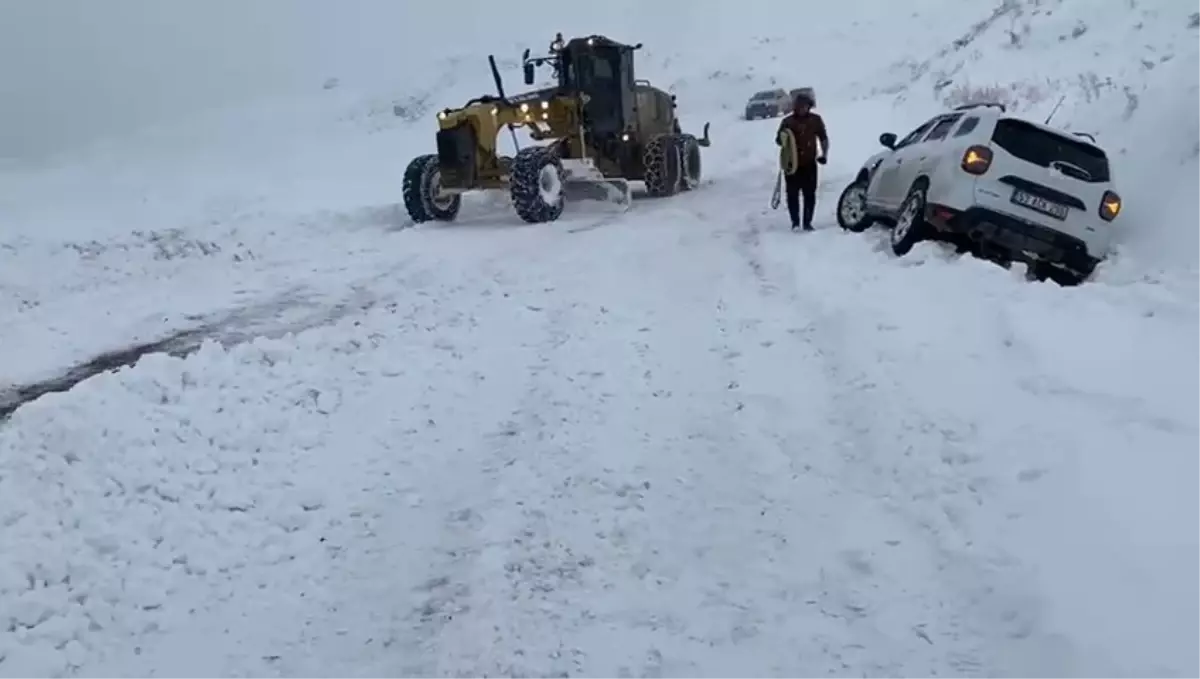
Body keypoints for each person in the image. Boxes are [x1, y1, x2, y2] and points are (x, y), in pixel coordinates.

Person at [776, 91, 829, 230]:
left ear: (809, 106)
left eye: (805, 106)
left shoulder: (815, 120)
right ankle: (795, 222)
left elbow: (823, 138)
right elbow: (778, 141)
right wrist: (783, 137)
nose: (802, 109)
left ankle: (807, 222)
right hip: (792, 164)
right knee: (792, 195)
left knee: (810, 194)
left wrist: (824, 154)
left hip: (809, 163)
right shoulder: (787, 122)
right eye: (799, 106)